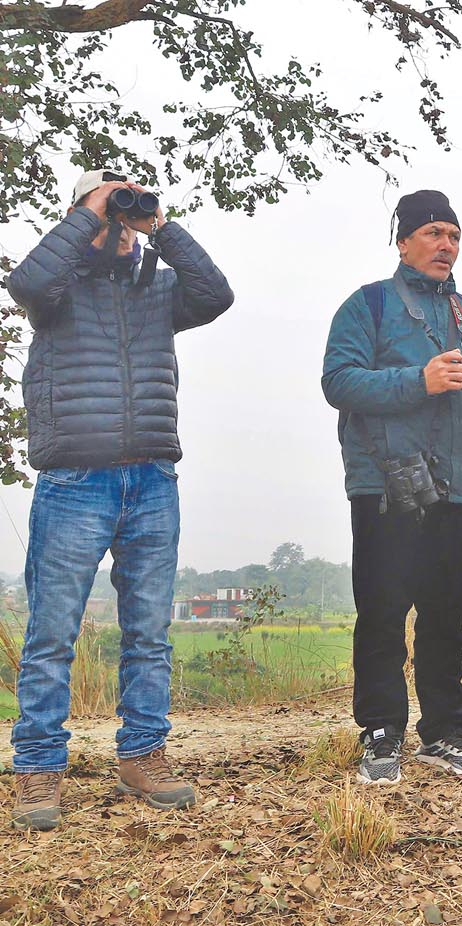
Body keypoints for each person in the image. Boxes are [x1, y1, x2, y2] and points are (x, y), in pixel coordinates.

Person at [7, 169, 234, 831]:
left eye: (129, 201)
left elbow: (215, 294)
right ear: (82, 214)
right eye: (112, 204)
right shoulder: (57, 291)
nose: (123, 212)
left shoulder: (158, 289)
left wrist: (158, 225)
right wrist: (90, 213)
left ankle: (142, 755)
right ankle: (39, 769)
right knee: (51, 634)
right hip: (76, 481)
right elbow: (24, 282)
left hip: (152, 480)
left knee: (148, 634)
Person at [322, 189, 462, 785]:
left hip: (457, 485)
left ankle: (445, 731)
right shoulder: (368, 305)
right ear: (402, 242)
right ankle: (381, 733)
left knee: (445, 615)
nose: (447, 246)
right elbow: (339, 381)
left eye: (454, 236)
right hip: (387, 483)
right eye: (434, 233)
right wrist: (417, 380)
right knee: (381, 612)